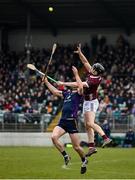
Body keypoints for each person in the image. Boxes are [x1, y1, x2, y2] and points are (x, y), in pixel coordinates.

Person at [57, 44, 112, 157]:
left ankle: (105, 138)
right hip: (87, 102)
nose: (91, 68)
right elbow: (85, 62)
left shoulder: (94, 80)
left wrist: (63, 83)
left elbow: (78, 85)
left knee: (90, 123)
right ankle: (91, 147)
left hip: (91, 102)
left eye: (93, 68)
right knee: (87, 126)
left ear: (97, 72)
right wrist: (80, 53)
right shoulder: (93, 73)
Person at [42, 67, 88, 174]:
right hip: (62, 121)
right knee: (53, 137)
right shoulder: (67, 93)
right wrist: (46, 82)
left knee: (76, 147)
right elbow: (54, 92)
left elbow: (80, 85)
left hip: (72, 122)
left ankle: (84, 160)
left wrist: (76, 74)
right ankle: (66, 156)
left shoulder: (79, 94)